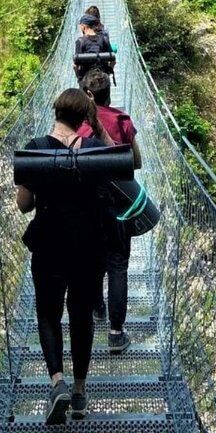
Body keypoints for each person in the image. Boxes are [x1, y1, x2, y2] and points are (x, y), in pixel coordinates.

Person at [16, 88, 116, 423]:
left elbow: (24, 205)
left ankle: (56, 381)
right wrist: (97, 124)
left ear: (55, 112)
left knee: (48, 314)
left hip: (49, 244)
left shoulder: (35, 149)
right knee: (81, 317)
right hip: (89, 247)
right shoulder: (97, 150)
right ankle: (79, 391)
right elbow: (119, 164)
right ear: (83, 118)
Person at [76, 68, 140, 352]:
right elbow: (135, 162)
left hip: (89, 205)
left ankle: (97, 308)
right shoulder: (122, 120)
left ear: (87, 95)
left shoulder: (77, 125)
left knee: (92, 261)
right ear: (109, 93)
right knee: (118, 266)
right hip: (121, 206)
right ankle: (116, 333)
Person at [74, 12, 115, 83]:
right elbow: (113, 61)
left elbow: (76, 66)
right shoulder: (104, 39)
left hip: (86, 80)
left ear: (83, 26)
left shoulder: (80, 41)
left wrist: (79, 78)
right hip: (103, 78)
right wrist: (108, 73)